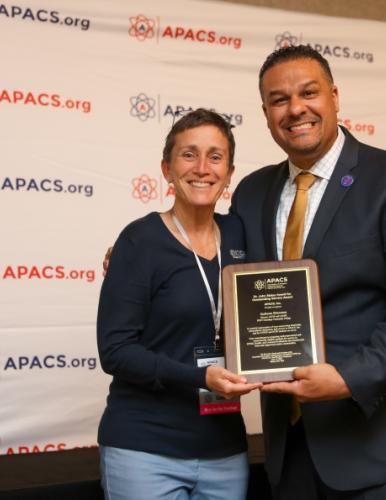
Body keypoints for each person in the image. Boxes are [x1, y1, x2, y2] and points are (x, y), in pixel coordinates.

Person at [229, 45, 386, 499]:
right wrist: (147, 252)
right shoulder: (252, 193)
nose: (295, 109)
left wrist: (350, 377)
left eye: (308, 92)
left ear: (334, 95)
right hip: (292, 450)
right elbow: (228, 278)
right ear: (265, 112)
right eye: (279, 100)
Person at [97, 108, 261, 500]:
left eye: (215, 156)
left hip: (225, 450)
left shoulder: (242, 235)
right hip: (145, 449)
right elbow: (116, 353)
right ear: (167, 169)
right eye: (188, 154)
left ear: (230, 172)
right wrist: (200, 377)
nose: (202, 167)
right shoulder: (139, 242)